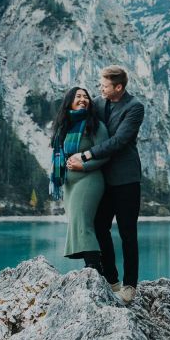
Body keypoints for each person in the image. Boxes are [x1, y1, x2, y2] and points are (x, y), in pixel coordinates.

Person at [67, 65, 144, 304]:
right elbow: (79, 117)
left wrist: (86, 155)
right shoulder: (99, 104)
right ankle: (112, 281)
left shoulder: (134, 108)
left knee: (127, 232)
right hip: (101, 180)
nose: (99, 88)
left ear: (118, 87)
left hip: (126, 179)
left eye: (104, 85)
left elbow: (119, 140)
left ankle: (130, 286)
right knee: (100, 228)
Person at [50, 86, 110, 272]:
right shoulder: (63, 127)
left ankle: (94, 267)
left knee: (82, 220)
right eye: (78, 96)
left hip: (90, 179)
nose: (83, 99)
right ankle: (91, 265)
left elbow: (105, 154)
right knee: (76, 221)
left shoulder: (95, 125)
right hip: (69, 183)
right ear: (69, 101)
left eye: (86, 97)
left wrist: (82, 165)